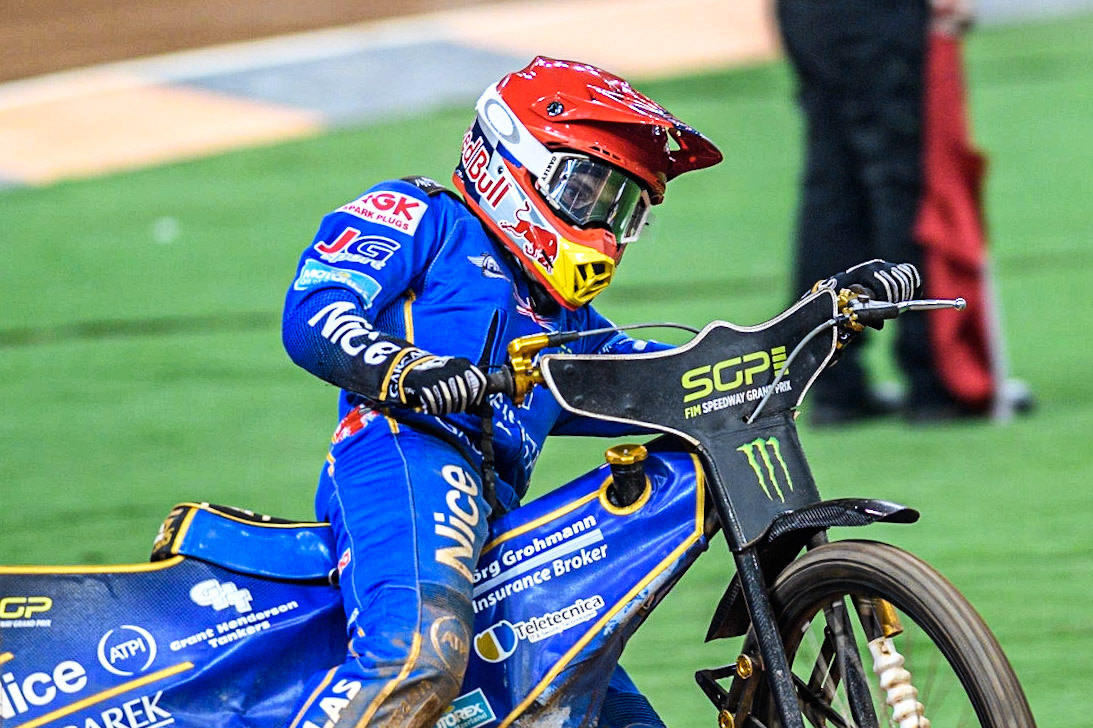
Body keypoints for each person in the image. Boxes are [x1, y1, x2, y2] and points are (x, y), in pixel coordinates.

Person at [280, 56, 920, 728]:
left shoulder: (570, 325)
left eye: (624, 208)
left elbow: (682, 375)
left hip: (501, 519)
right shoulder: (419, 214)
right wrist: (405, 368)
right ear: (509, 158)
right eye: (588, 191)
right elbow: (316, 309)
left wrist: (824, 318)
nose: (606, 227)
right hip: (401, 453)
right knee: (418, 659)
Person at [775, 0, 985, 424]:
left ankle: (831, 383)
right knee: (907, 185)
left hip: (807, 16)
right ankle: (935, 381)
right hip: (878, 17)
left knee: (834, 185)